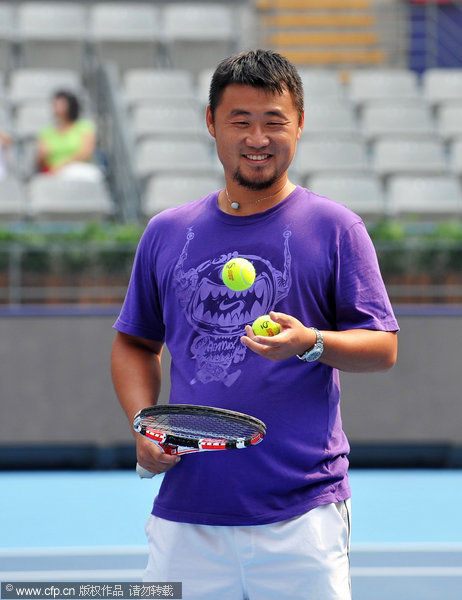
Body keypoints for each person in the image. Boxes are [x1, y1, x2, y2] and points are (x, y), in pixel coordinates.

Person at [111, 49, 399, 600]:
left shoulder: (337, 228)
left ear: (301, 125)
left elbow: (381, 347)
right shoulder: (167, 232)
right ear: (211, 124)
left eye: (274, 121)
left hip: (302, 517)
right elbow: (133, 344)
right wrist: (143, 426)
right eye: (240, 121)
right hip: (186, 516)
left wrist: (310, 343)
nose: (257, 137)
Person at [36, 89, 100, 180]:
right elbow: (40, 160)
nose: (56, 107)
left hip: (77, 169)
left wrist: (64, 165)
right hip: (53, 172)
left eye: (60, 104)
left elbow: (86, 152)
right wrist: (42, 154)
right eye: (55, 104)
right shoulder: (46, 132)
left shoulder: (84, 127)